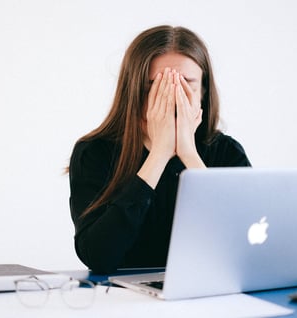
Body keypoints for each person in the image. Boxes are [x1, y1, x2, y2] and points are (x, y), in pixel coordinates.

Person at [68, 25, 251, 274]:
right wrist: (159, 155)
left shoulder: (226, 152)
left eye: (186, 85)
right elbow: (98, 256)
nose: (172, 98)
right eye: (156, 86)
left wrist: (188, 154)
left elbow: (244, 246)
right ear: (133, 92)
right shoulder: (93, 153)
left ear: (204, 93)